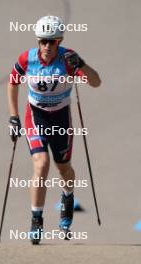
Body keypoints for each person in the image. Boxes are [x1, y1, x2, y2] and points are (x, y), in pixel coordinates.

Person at [7, 15, 101, 244]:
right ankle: (36, 219)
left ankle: (67, 197)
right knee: (41, 164)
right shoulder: (27, 58)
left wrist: (82, 64)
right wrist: (13, 117)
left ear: (59, 41)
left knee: (64, 170)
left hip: (60, 120)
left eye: (52, 41)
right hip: (35, 117)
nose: (47, 46)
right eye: (43, 41)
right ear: (38, 41)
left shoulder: (68, 59)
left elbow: (96, 82)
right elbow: (12, 81)